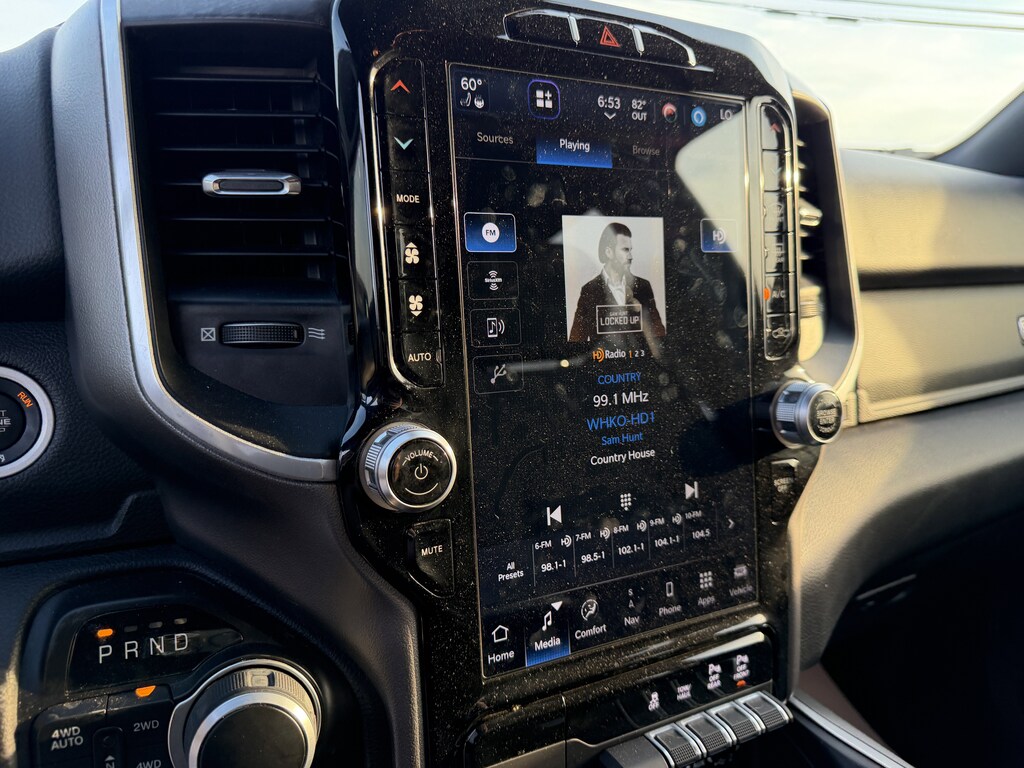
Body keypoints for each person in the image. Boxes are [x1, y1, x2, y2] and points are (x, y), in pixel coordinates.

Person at [568, 222, 666, 342]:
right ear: (609, 252)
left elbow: (659, 333)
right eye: (625, 250)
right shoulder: (589, 290)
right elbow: (577, 339)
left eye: (630, 250)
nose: (630, 256)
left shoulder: (643, 286)